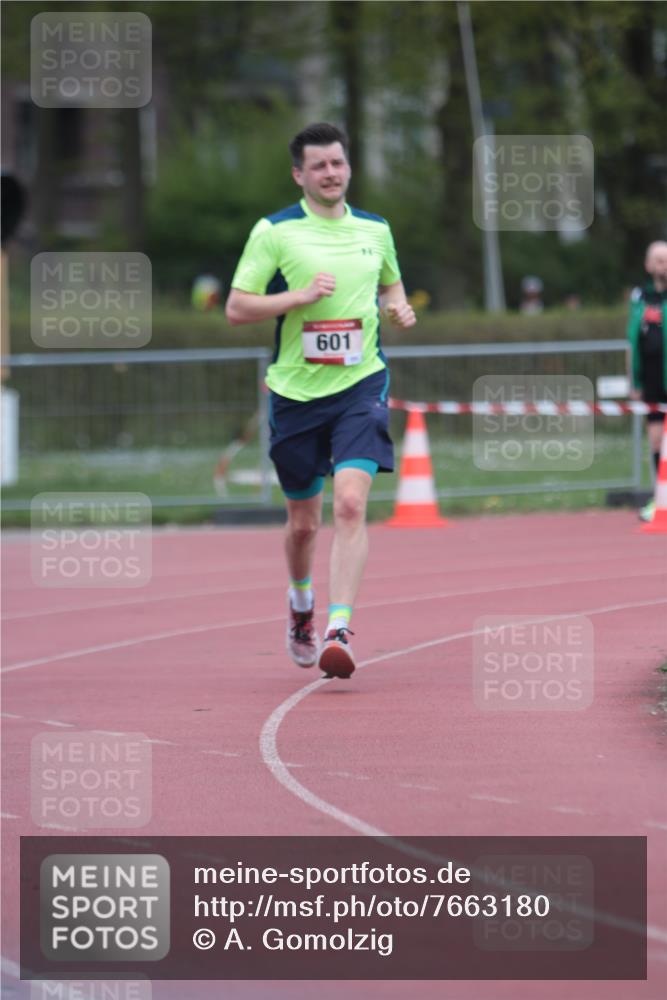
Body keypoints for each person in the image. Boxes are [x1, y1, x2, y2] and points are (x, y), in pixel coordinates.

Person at [225, 122, 416, 678]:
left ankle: (339, 627)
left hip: (362, 385)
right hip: (295, 393)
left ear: (348, 167)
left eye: (338, 163)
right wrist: (299, 296)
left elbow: (392, 285)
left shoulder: (376, 229)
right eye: (319, 166)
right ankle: (302, 601)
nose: (331, 174)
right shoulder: (275, 232)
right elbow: (238, 307)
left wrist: (399, 308)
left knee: (352, 505)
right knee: (304, 523)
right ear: (299, 174)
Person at [627, 241, 667, 522]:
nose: (663, 265)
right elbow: (632, 340)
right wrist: (634, 380)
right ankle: (660, 498)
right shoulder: (641, 296)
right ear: (648, 265)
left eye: (666, 259)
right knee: (656, 442)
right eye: (658, 260)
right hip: (652, 381)